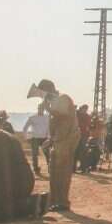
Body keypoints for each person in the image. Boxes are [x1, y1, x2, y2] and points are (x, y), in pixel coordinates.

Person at [27, 79, 78, 212]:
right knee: (54, 170)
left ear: (48, 90)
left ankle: (63, 202)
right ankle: (55, 201)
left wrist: (48, 109)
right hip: (58, 139)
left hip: (66, 138)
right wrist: (50, 138)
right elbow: (55, 123)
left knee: (63, 171)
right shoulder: (54, 101)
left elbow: (63, 115)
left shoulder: (63, 98)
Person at [22, 104, 50, 176]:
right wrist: (26, 137)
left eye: (42, 108)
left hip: (44, 138)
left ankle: (50, 168)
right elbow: (25, 128)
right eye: (40, 108)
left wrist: (49, 137)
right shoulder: (32, 117)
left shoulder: (47, 117)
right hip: (35, 138)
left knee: (47, 154)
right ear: (37, 109)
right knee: (35, 154)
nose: (41, 110)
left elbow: (49, 128)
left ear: (44, 109)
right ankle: (36, 169)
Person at [75, 104, 91, 170]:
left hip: (83, 135)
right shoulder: (76, 114)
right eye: (83, 109)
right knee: (75, 150)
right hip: (76, 134)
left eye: (85, 109)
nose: (84, 110)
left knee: (83, 151)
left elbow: (88, 125)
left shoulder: (87, 116)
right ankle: (74, 167)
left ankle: (83, 167)